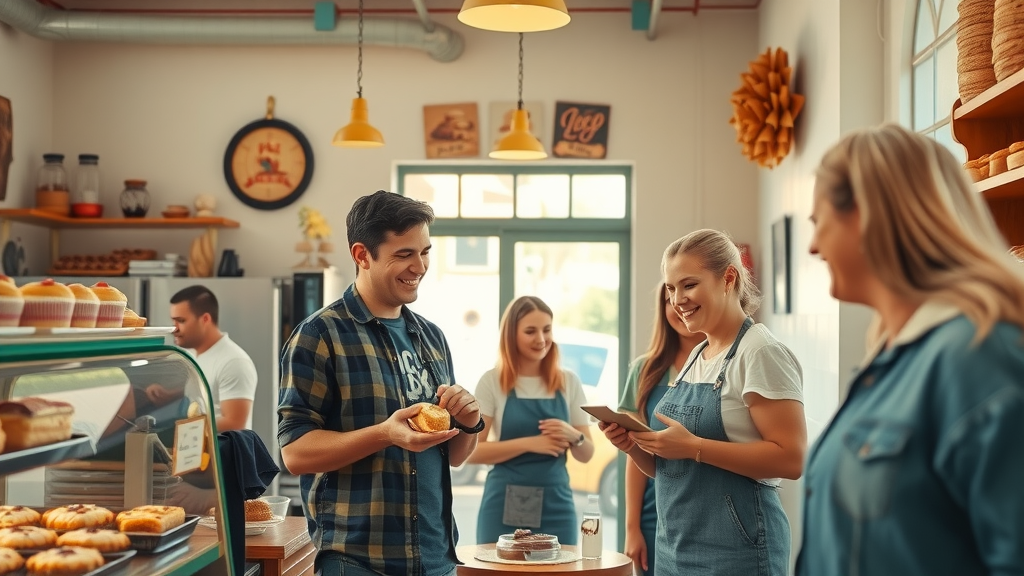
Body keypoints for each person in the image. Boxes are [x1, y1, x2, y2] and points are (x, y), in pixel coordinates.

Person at [798, 124, 1024, 576]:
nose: (813, 245)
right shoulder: (890, 357)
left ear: (866, 214)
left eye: (818, 221)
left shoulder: (979, 358)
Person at [277, 190, 483, 576]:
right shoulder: (319, 335)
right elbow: (295, 453)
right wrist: (385, 434)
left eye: (425, 252)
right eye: (404, 254)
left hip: (437, 559)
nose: (419, 266)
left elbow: (453, 456)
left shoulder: (431, 337)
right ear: (362, 255)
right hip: (357, 561)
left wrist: (468, 423)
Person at [600, 229, 806, 576]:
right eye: (671, 288)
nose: (678, 299)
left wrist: (694, 446)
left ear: (728, 277)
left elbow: (791, 458)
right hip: (674, 549)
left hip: (737, 553)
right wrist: (634, 447)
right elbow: (670, 470)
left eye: (689, 285)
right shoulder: (699, 354)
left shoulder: (760, 352)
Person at [469, 295, 594, 546]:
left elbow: (586, 453)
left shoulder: (568, 381)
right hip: (504, 505)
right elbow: (471, 452)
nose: (541, 339)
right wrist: (530, 443)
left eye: (546, 330)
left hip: (557, 504)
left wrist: (574, 435)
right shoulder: (492, 382)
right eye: (530, 331)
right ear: (511, 335)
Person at [616, 282, 705, 576]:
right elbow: (634, 455)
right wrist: (632, 528)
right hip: (657, 514)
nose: (678, 306)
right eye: (669, 300)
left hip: (711, 510)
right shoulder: (644, 370)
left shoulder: (724, 365)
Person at [168, 285, 257, 432]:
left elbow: (235, 423)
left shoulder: (234, 362)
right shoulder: (192, 354)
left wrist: (180, 428)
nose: (174, 329)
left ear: (205, 319)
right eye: (173, 322)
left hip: (223, 454)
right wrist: (169, 395)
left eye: (181, 321)